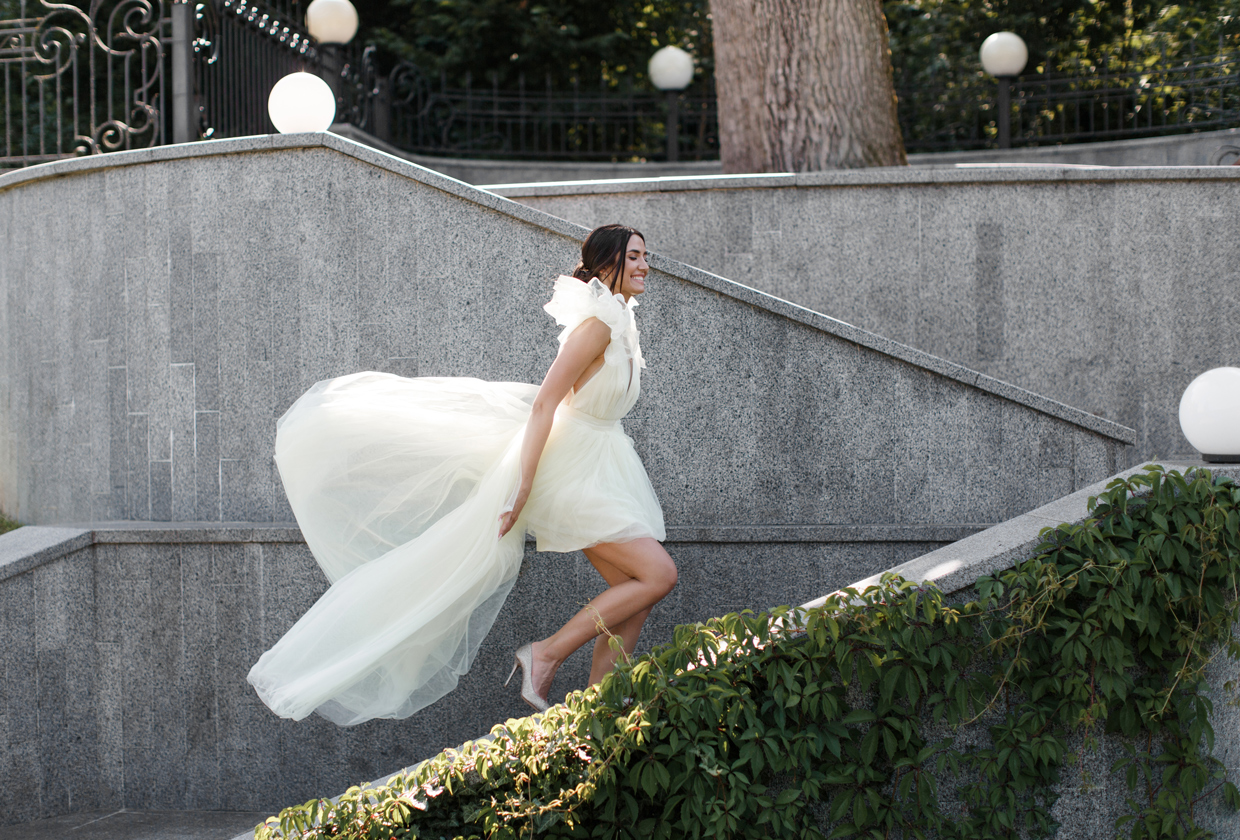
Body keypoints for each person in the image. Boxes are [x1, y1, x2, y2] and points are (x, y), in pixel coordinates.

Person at [247, 224, 676, 725]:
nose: (647, 265)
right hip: (573, 474)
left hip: (605, 466)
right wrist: (523, 486)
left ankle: (603, 708)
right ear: (610, 264)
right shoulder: (597, 326)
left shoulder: (619, 318)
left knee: (633, 593)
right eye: (637, 256)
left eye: (647, 256)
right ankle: (546, 653)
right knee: (658, 574)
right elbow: (543, 405)